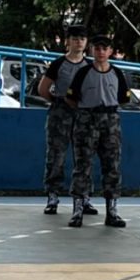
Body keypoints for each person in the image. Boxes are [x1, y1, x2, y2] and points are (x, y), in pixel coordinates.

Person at [65, 35, 131, 228]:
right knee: (82, 165)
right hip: (87, 120)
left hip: (110, 121)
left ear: (110, 51)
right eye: (97, 48)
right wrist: (85, 110)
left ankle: (112, 211)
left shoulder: (118, 74)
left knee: (112, 166)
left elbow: (124, 98)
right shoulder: (83, 73)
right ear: (92, 50)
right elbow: (71, 98)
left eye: (105, 48)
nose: (101, 52)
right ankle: (78, 209)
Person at [38, 24, 95, 216]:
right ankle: (52, 196)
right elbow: (43, 89)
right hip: (61, 113)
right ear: (68, 41)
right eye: (75, 38)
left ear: (86, 43)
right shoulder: (58, 64)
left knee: (84, 157)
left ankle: (84, 197)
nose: (78, 42)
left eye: (82, 39)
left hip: (83, 113)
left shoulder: (90, 66)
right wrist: (56, 101)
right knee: (56, 156)